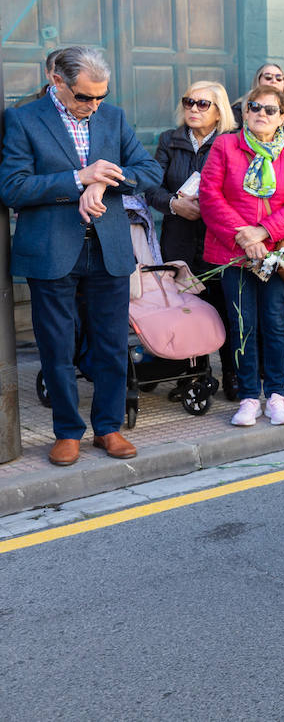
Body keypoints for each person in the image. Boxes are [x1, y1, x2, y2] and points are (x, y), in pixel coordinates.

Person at [0, 46, 161, 466]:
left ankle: (107, 428)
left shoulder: (114, 117)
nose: (93, 105)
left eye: (100, 96)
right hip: (51, 252)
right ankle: (67, 432)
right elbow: (13, 187)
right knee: (57, 347)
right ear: (58, 82)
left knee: (110, 346)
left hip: (108, 250)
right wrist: (77, 178)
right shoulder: (22, 119)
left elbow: (149, 170)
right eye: (84, 97)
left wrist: (104, 183)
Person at [200, 84, 284, 428]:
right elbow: (210, 195)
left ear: (282, 117)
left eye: (269, 109)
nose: (261, 114)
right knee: (242, 324)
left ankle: (277, 394)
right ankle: (250, 396)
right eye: (254, 107)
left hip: (276, 253)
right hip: (235, 253)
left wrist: (264, 232)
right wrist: (244, 236)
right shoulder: (224, 145)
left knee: (275, 323)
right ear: (245, 112)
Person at [148, 81, 238, 398]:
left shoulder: (231, 143)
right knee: (187, 309)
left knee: (224, 309)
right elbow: (150, 187)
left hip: (219, 242)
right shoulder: (169, 141)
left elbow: (241, 192)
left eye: (202, 104)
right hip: (179, 241)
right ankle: (194, 376)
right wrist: (173, 203)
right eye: (189, 101)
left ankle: (232, 374)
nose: (193, 109)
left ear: (219, 111)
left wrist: (212, 207)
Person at [235, 63, 284, 142]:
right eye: (268, 77)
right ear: (258, 80)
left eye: (279, 78)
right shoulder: (239, 109)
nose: (274, 81)